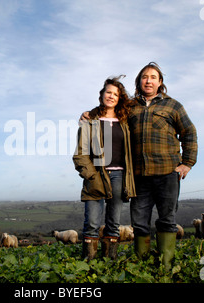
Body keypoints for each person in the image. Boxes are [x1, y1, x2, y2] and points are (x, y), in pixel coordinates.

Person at [81, 63, 198, 270]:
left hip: (167, 173)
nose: (149, 80)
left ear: (160, 82)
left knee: (167, 220)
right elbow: (108, 113)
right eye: (145, 77)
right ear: (139, 81)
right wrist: (89, 114)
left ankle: (165, 265)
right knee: (140, 222)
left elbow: (188, 132)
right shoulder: (130, 108)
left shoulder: (173, 106)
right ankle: (142, 265)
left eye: (153, 77)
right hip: (138, 176)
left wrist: (187, 163)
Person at [73, 75, 136, 260]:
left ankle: (110, 262)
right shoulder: (89, 120)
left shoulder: (125, 121)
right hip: (96, 175)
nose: (111, 96)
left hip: (119, 176)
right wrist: (91, 176)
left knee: (113, 223)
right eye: (108, 92)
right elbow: (80, 154)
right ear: (102, 94)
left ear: (119, 98)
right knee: (92, 222)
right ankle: (89, 263)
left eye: (116, 94)